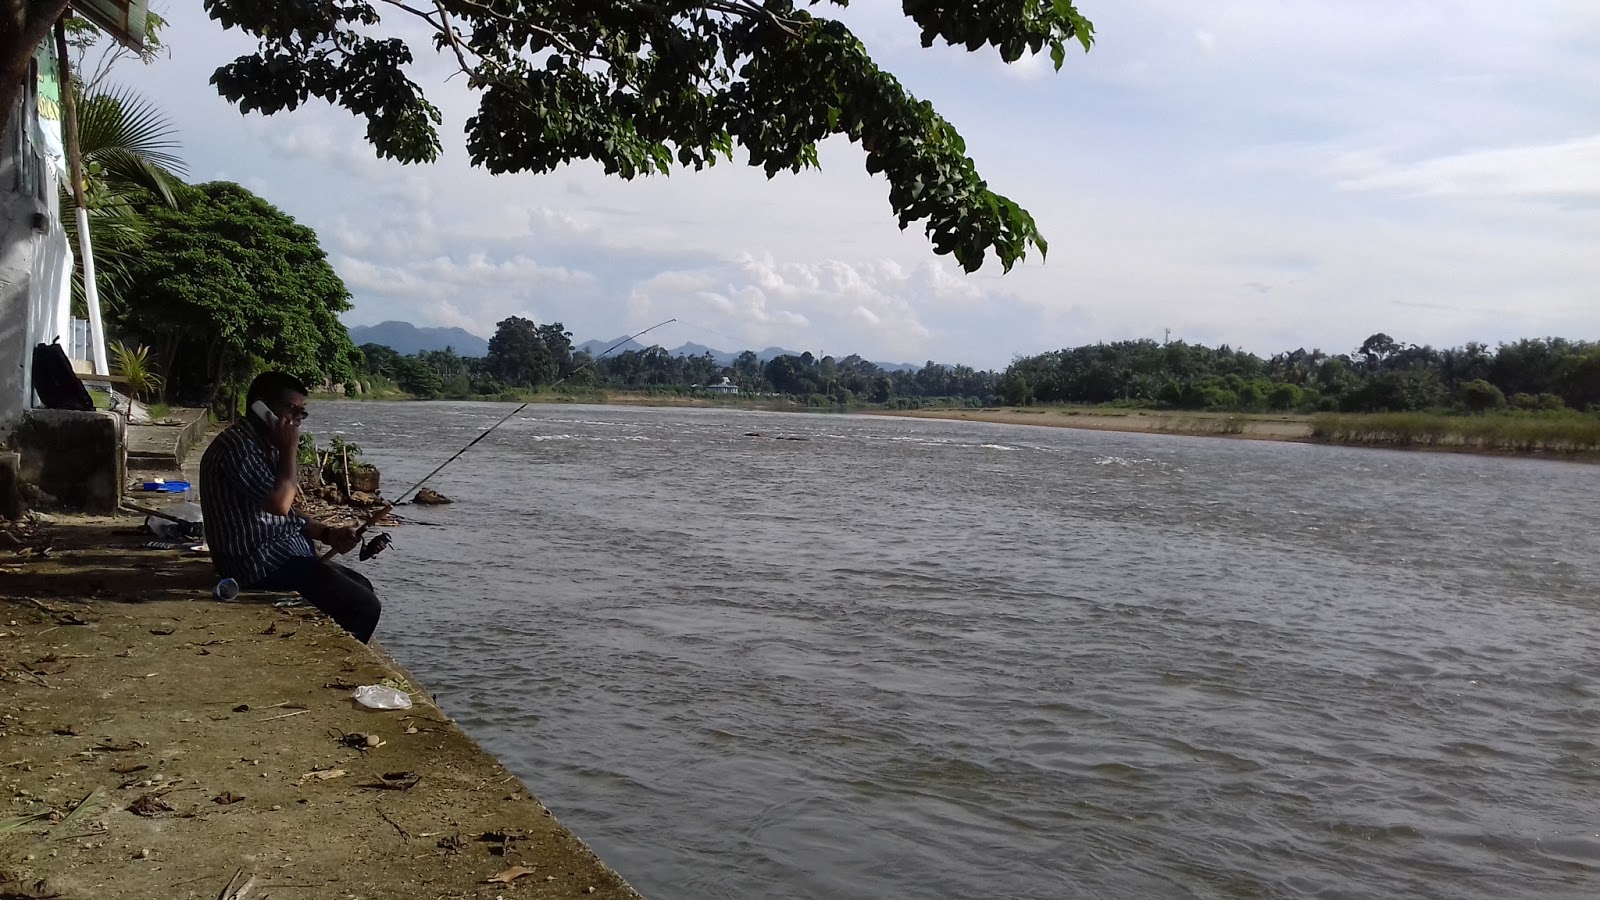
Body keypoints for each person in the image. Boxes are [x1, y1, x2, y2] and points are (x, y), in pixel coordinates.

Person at [199, 372, 383, 642]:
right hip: (256, 564)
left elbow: (287, 516)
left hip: (280, 555)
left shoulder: (265, 446)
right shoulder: (238, 447)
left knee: (363, 586)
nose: (297, 419)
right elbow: (280, 504)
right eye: (292, 410)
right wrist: (290, 450)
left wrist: (328, 533)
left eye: (302, 412)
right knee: (365, 606)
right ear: (262, 409)